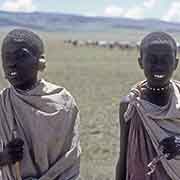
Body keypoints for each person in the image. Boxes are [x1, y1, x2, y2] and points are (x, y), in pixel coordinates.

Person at [0, 28, 81, 180]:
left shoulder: (62, 103)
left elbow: (69, 159)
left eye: (21, 55)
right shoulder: (2, 103)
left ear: (40, 61)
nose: (11, 63)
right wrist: (4, 157)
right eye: (6, 56)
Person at [116, 31, 180, 180]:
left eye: (166, 60)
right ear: (140, 63)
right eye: (152, 59)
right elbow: (124, 155)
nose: (159, 66)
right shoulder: (130, 105)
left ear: (176, 63)